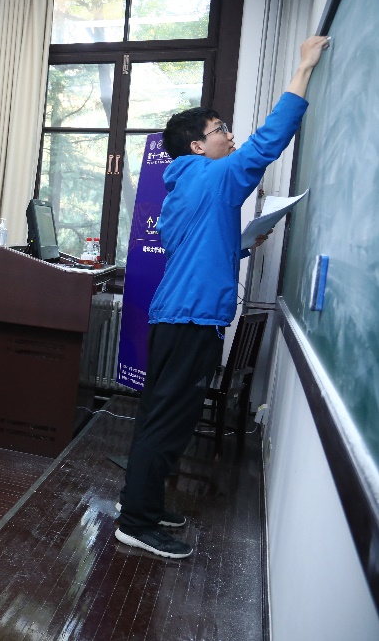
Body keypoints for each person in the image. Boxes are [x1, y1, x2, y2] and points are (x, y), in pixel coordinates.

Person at [115, 35, 330, 560]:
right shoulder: (213, 176)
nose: (229, 136)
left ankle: (142, 503)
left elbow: (194, 246)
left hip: (176, 317)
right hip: (190, 320)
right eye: (219, 130)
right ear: (197, 146)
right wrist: (303, 67)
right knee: (169, 423)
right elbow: (268, 142)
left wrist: (241, 243)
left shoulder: (184, 184)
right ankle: (136, 522)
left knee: (161, 417)